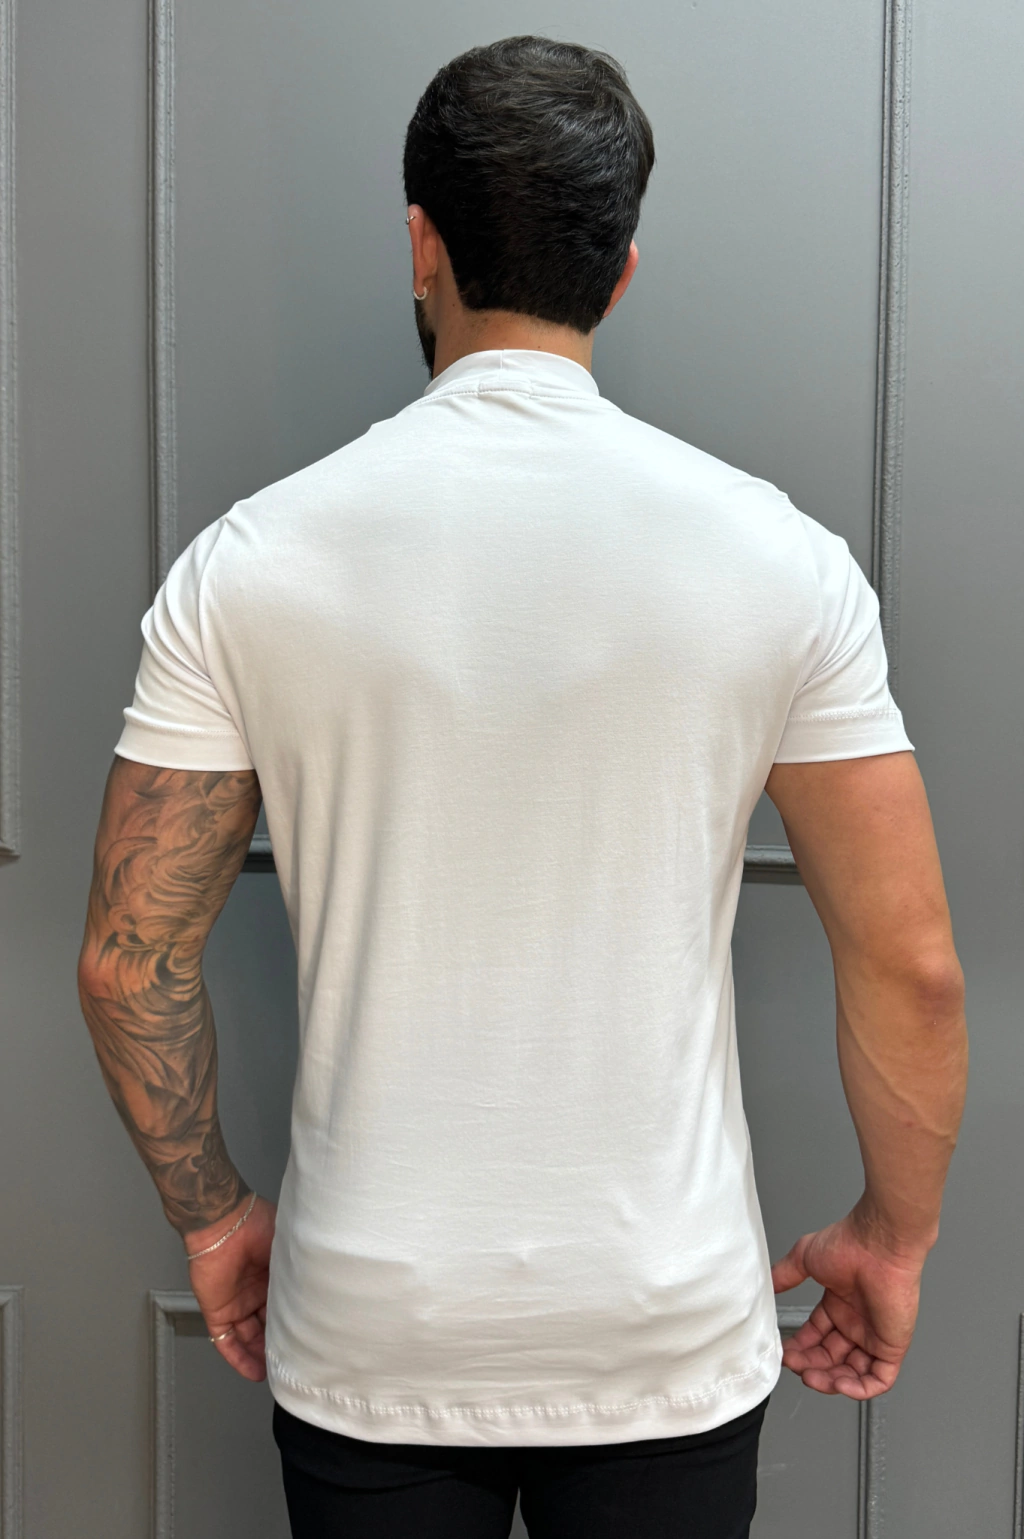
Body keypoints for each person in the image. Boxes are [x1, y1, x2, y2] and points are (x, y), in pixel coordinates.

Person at [77, 34, 968, 1539]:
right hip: (665, 1330)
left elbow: (128, 958)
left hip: (370, 1330)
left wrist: (213, 1215)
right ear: (620, 270)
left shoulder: (249, 565)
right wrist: (894, 1233)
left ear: (420, 243)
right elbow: (913, 966)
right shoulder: (783, 563)